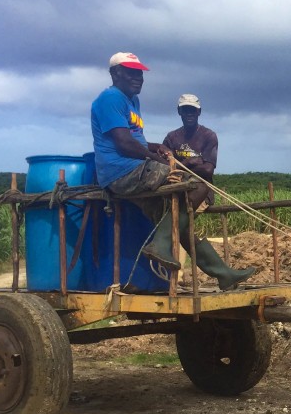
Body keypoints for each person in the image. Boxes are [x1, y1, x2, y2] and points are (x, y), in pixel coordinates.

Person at [90, 52, 255, 289]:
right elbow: (123, 143)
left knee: (179, 221)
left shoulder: (131, 101)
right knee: (198, 186)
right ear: (115, 73)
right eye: (131, 72)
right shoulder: (110, 99)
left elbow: (137, 140)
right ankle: (159, 245)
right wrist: (155, 157)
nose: (138, 78)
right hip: (122, 171)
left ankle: (222, 274)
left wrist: (157, 148)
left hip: (135, 167)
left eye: (140, 73)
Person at [162, 93, 216, 210]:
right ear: (179, 111)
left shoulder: (208, 136)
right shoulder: (171, 137)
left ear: (199, 112)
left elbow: (208, 170)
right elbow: (164, 165)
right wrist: (189, 162)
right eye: (185, 110)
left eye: (193, 110)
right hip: (175, 186)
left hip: (201, 190)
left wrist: (178, 168)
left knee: (184, 213)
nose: (189, 113)